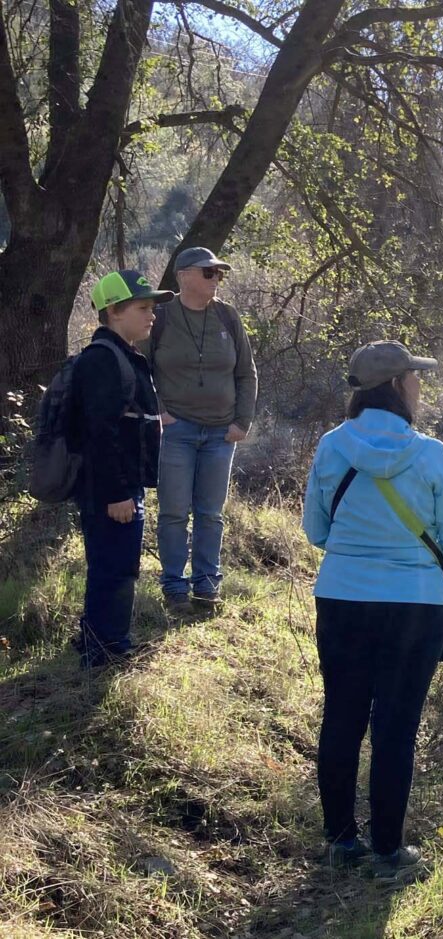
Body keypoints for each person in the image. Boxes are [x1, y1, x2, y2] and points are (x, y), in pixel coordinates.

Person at [302, 340, 443, 878]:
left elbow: (315, 530)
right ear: (398, 385)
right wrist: (415, 560)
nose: (420, 385)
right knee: (395, 728)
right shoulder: (431, 454)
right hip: (414, 605)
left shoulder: (332, 446)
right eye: (415, 377)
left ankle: (339, 842)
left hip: (342, 597)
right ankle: (388, 853)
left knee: (342, 718)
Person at [143, 246, 258, 614]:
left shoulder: (227, 316)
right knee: (174, 511)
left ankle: (207, 587)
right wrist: (160, 412)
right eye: (209, 273)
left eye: (219, 274)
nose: (216, 279)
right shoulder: (159, 318)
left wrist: (242, 421)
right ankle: (174, 588)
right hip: (176, 431)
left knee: (210, 513)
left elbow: (246, 372)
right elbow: (139, 370)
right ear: (184, 276)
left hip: (221, 434)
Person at [69, 271, 173, 668]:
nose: (152, 316)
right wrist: (116, 492)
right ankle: (107, 650)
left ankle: (100, 640)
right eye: (143, 307)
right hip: (110, 489)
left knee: (115, 565)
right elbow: (100, 431)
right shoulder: (102, 360)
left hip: (123, 486)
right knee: (114, 569)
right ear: (113, 311)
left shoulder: (122, 355)